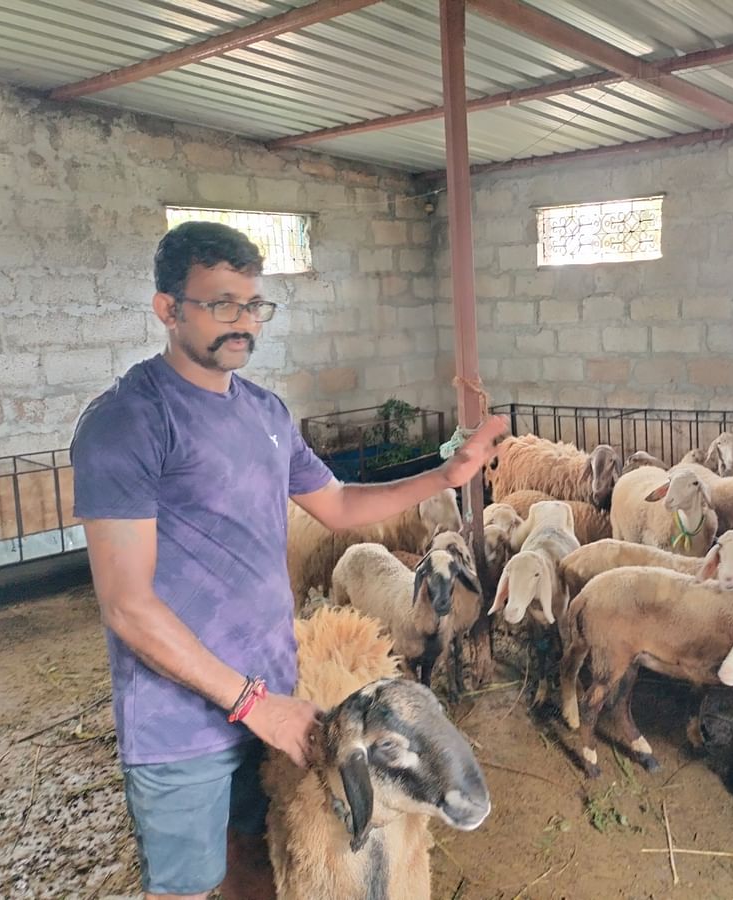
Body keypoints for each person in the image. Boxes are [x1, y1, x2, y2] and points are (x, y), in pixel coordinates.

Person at [69, 220, 505, 900]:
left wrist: (442, 476)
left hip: (276, 695)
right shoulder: (129, 421)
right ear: (167, 308)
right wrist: (252, 705)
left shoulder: (265, 413)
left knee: (263, 862)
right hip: (182, 721)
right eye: (222, 305)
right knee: (184, 886)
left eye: (254, 306)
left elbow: (336, 505)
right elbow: (127, 604)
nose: (243, 323)